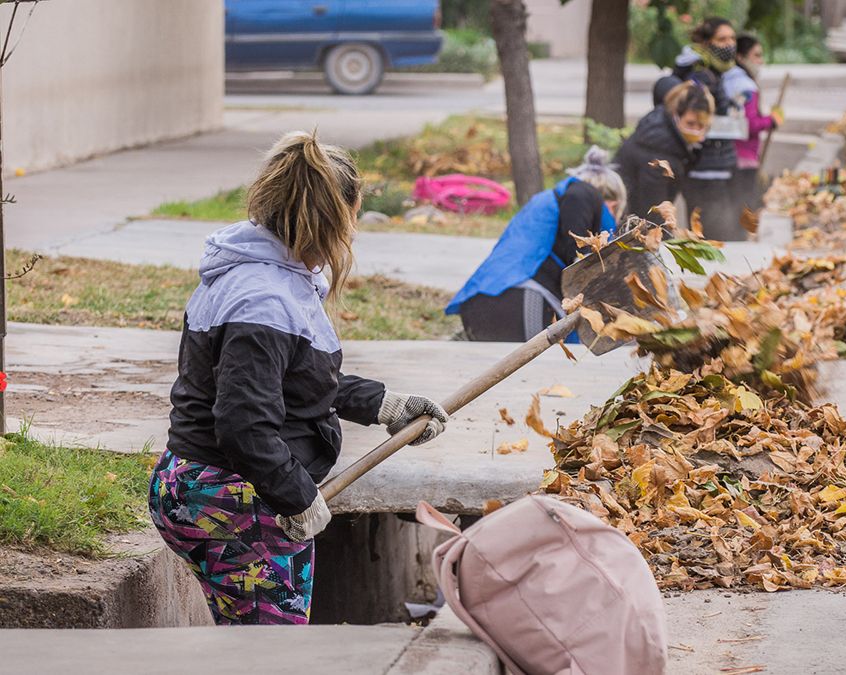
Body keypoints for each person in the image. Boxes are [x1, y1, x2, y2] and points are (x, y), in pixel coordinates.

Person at [148, 131, 449, 625]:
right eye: (354, 215)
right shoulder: (264, 297)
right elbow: (244, 423)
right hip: (235, 498)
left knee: (248, 644)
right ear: (338, 215)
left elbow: (292, 381)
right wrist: (296, 496)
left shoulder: (262, 276)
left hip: (203, 486)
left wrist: (385, 405)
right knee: (272, 654)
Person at [447, 147, 627, 342]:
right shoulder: (583, 193)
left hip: (486, 303)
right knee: (550, 361)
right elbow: (581, 259)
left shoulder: (551, 204)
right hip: (516, 299)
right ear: (612, 204)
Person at [660, 17, 742, 241]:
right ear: (706, 43)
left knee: (713, 236)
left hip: (713, 165)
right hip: (704, 168)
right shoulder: (700, 75)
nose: (729, 44)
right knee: (712, 238)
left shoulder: (713, 71)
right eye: (722, 39)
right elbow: (697, 120)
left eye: (732, 38)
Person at [617, 81, 715, 222]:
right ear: (676, 116)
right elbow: (654, 211)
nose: (696, 131)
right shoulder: (658, 152)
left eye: (701, 125)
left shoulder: (665, 134)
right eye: (690, 123)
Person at [724, 34, 784, 215]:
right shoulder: (746, 86)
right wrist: (772, 120)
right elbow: (748, 125)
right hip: (743, 157)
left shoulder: (727, 80)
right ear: (740, 57)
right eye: (756, 55)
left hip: (727, 155)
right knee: (743, 210)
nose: (761, 61)